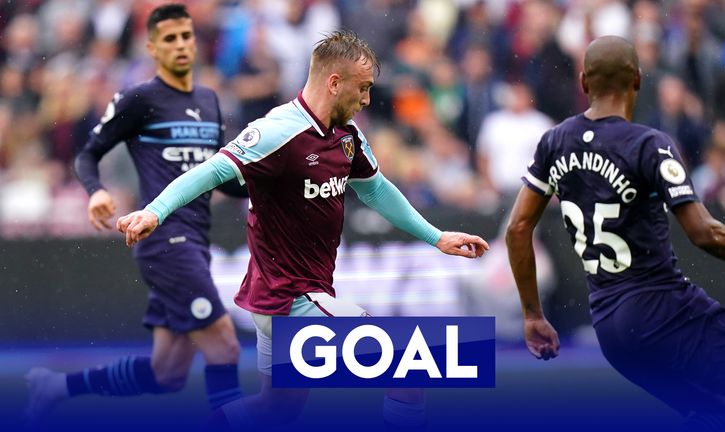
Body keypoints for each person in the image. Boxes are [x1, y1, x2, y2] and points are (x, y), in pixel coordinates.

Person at [116, 30, 490, 430]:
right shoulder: (279, 131)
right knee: (408, 367)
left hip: (282, 297)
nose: (366, 99)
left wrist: (437, 237)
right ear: (334, 82)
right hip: (290, 298)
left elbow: (377, 189)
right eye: (362, 88)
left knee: (275, 409)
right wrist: (155, 212)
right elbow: (212, 171)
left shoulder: (346, 134)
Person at [506, 35, 725, 430]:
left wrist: (532, 316)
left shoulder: (554, 142)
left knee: (722, 415)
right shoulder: (649, 144)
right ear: (638, 80)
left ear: (582, 82)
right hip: (664, 310)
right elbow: (705, 234)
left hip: (613, 334)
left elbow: (518, 228)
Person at [26, 3, 247, 423]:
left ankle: (56, 386)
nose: (180, 45)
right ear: (151, 47)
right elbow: (87, 154)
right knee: (225, 346)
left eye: (186, 36)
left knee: (168, 373)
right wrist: (95, 192)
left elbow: (221, 176)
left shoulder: (209, 99)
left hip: (197, 239)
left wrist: (264, 185)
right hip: (164, 240)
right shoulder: (139, 99)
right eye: (169, 39)